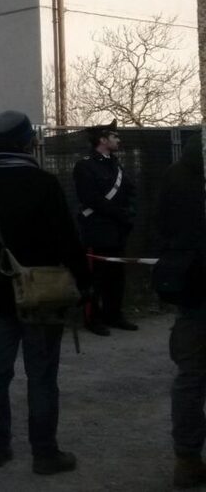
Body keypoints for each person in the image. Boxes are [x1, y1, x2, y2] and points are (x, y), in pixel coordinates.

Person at [0, 110, 90, 475]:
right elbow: (68, 240)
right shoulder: (43, 182)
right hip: (41, 292)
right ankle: (45, 453)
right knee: (42, 374)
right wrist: (85, 284)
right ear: (27, 141)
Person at [159, 134, 206, 488]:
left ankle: (187, 459)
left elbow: (161, 226)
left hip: (192, 287)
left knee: (190, 376)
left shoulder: (176, 174)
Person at [73, 119, 137, 335]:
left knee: (116, 277)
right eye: (114, 136)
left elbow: (129, 191)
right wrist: (119, 214)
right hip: (96, 229)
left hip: (117, 230)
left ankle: (114, 315)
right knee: (96, 277)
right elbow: (90, 198)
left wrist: (129, 213)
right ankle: (93, 318)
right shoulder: (85, 166)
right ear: (102, 140)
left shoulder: (116, 165)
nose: (118, 140)